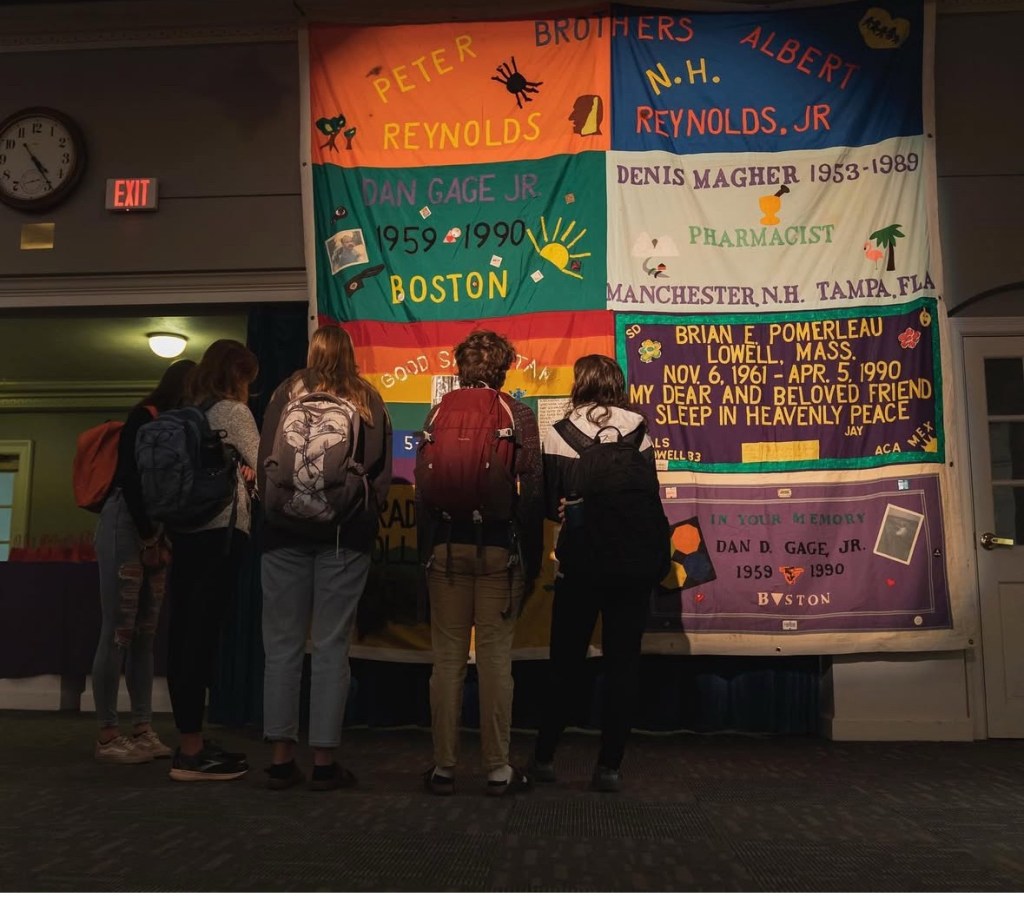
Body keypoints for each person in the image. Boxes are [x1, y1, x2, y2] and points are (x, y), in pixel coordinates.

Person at [258, 325, 393, 791]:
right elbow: (378, 472)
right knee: (332, 646)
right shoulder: (366, 398)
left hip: (280, 536)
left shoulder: (284, 392)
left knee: (281, 646)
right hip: (343, 537)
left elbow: (264, 464)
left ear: (311, 351)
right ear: (351, 354)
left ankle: (279, 758)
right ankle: (323, 761)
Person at [417, 330, 543, 796]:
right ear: (504, 367)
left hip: (445, 551)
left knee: (446, 660)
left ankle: (443, 768)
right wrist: (528, 560)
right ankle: (497, 769)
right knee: (494, 660)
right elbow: (531, 493)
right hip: (498, 551)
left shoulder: (437, 413)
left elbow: (421, 492)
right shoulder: (518, 413)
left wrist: (425, 555)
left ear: (460, 367)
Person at [531, 354, 658, 792]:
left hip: (581, 561)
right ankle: (610, 767)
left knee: (564, 661)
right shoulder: (640, 428)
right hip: (633, 564)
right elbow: (649, 498)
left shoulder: (558, 431)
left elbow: (549, 505)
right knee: (624, 665)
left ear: (579, 383)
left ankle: (545, 758)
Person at [92, 359, 195, 765]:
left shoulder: (179, 423)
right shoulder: (145, 416)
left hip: (155, 527)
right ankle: (106, 734)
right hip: (127, 525)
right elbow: (132, 480)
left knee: (145, 632)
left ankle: (141, 727)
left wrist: (160, 535)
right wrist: (151, 535)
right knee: (118, 628)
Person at [165, 339, 260, 782]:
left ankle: (190, 737)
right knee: (204, 637)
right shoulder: (232, 412)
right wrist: (252, 473)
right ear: (238, 374)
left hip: (183, 533)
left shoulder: (189, 410)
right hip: (220, 534)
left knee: (184, 633)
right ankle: (191, 753)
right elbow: (266, 464)